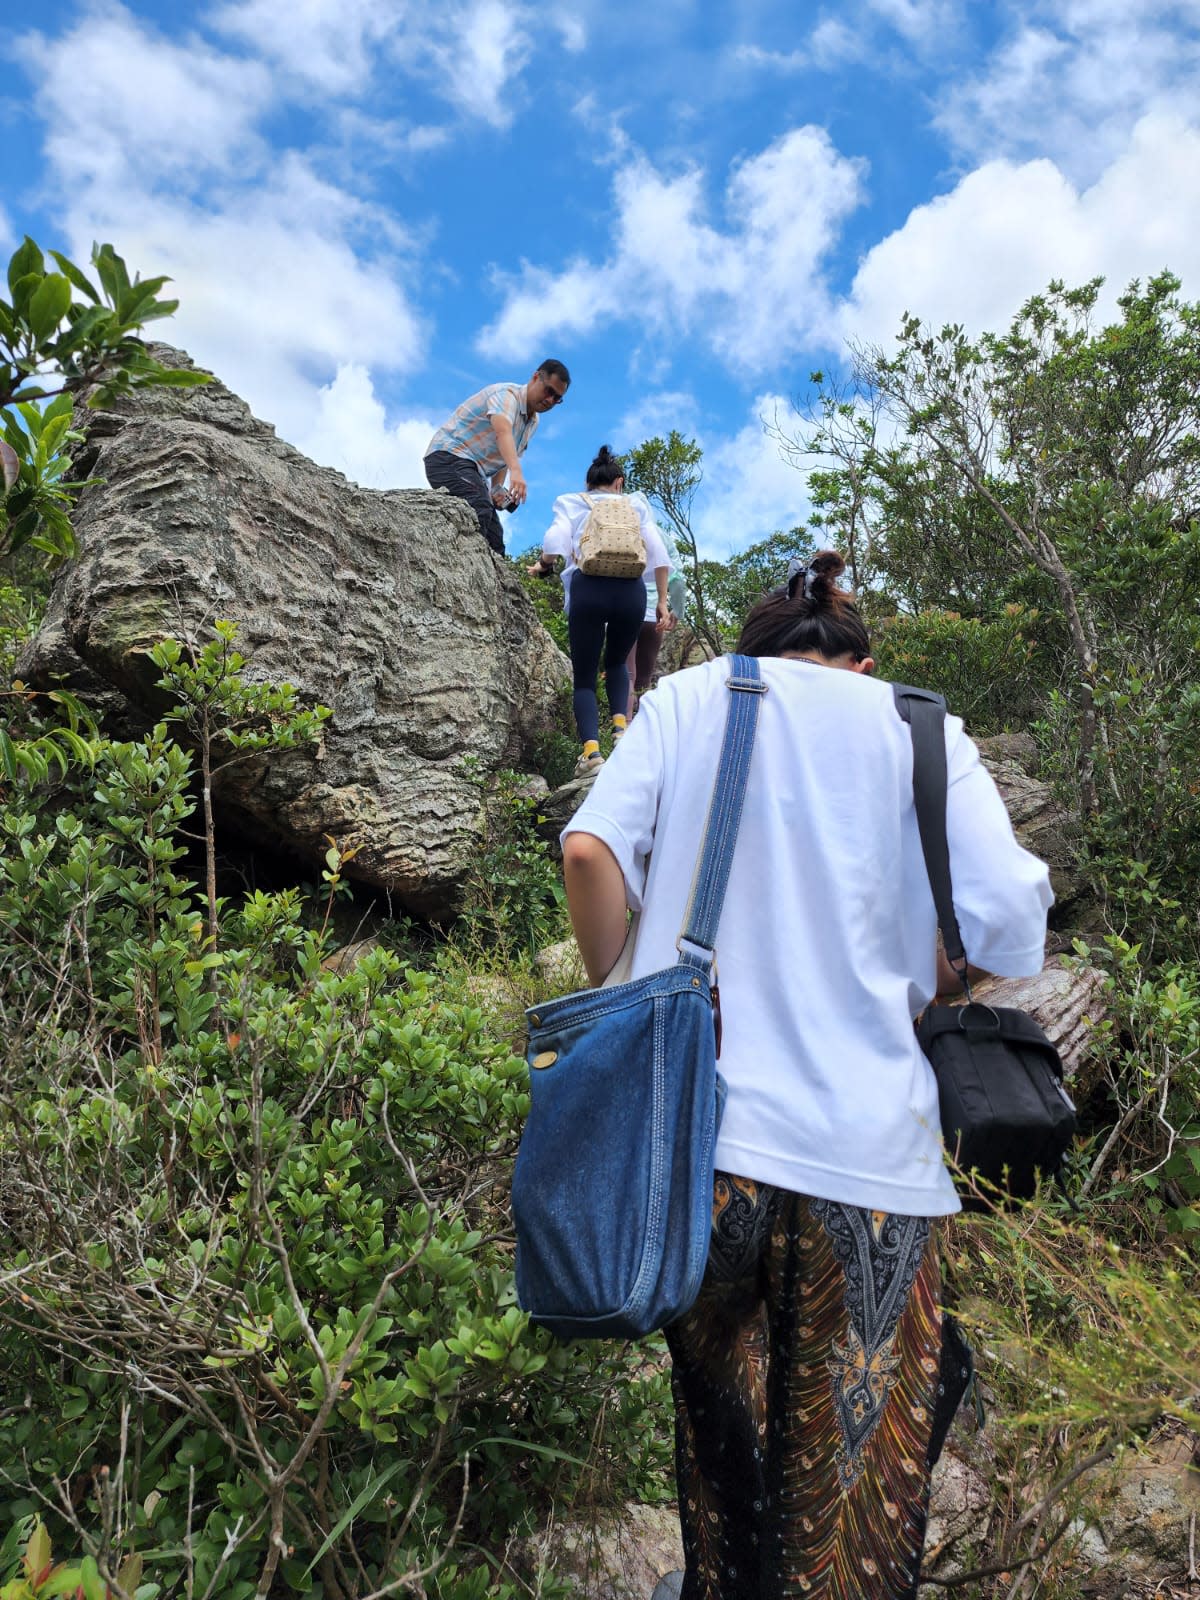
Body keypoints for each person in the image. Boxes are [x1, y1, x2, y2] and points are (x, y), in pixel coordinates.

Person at [559, 551, 1053, 1600]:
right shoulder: (920, 726)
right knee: (848, 1532)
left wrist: (623, 986)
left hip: (708, 1154)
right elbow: (1013, 913)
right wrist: (932, 972)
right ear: (860, 661)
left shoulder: (692, 699)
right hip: (868, 1178)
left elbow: (589, 853)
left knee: (722, 1479)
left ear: (754, 655)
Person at [528, 445, 670, 777]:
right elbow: (658, 552)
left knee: (585, 679)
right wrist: (662, 601)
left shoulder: (572, 501)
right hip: (631, 591)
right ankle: (621, 733)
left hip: (589, 588)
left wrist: (544, 565)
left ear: (589, 484)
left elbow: (553, 542)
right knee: (619, 662)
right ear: (619, 482)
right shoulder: (635, 504)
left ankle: (591, 754)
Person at [423, 361, 570, 554]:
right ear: (536, 377)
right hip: (448, 457)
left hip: (472, 470)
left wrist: (497, 489)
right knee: (478, 507)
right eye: (548, 391)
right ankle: (453, 566)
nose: (550, 400)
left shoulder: (533, 421)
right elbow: (503, 433)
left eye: (557, 398)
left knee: (495, 540)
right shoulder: (507, 396)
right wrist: (516, 471)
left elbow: (505, 453)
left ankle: (488, 580)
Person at [624, 525, 684, 719]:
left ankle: (622, 727)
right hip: (655, 615)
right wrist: (677, 610)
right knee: (644, 677)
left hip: (627, 610)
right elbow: (678, 577)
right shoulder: (663, 537)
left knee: (627, 674)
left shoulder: (624, 529)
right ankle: (643, 728)